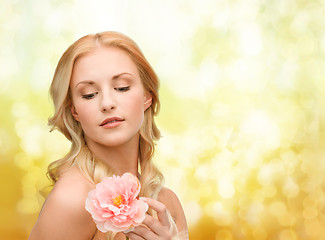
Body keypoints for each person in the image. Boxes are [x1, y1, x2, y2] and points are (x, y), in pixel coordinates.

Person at [28, 31, 188, 240]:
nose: (106, 103)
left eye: (121, 87)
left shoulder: (166, 204)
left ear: (147, 96)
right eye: (89, 94)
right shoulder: (72, 199)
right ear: (74, 110)